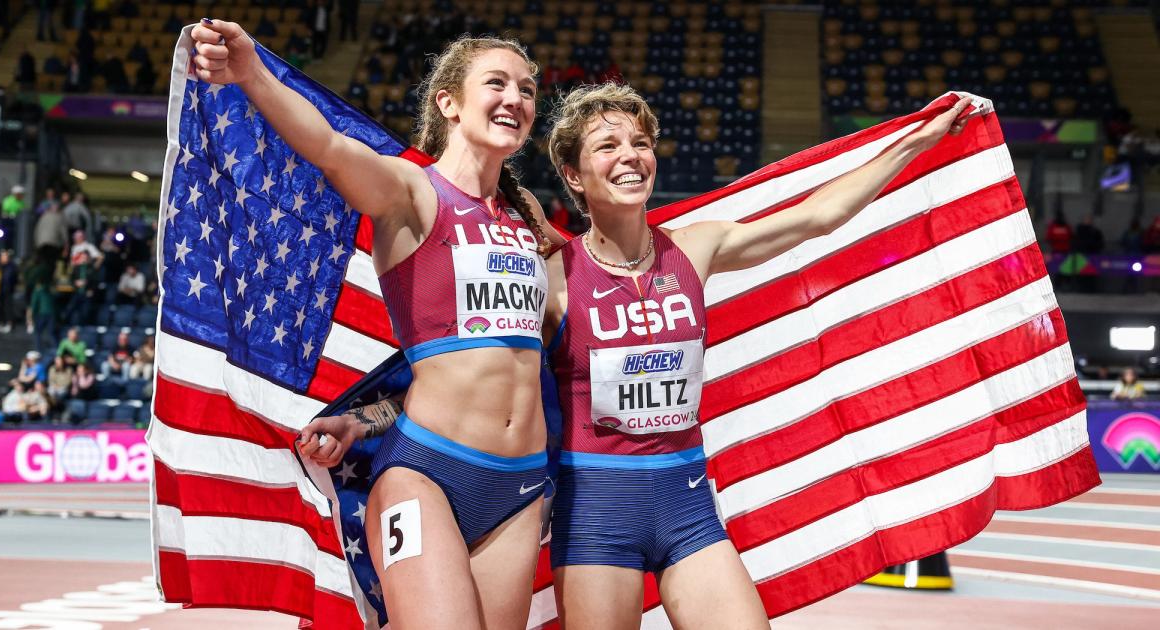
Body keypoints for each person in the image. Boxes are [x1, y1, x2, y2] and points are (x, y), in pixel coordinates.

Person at [538, 84, 977, 629]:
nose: (630, 154)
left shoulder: (696, 248)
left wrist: (920, 138)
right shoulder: (553, 281)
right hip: (596, 511)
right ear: (574, 175)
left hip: (686, 504)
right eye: (607, 145)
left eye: (641, 142)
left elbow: (820, 215)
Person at [192, 20, 565, 629]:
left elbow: (472, 368)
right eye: (495, 83)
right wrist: (251, 72)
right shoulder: (411, 192)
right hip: (429, 475)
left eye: (526, 89)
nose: (516, 99)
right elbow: (331, 148)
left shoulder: (526, 218)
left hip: (519, 490)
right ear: (448, 102)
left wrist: (360, 419)